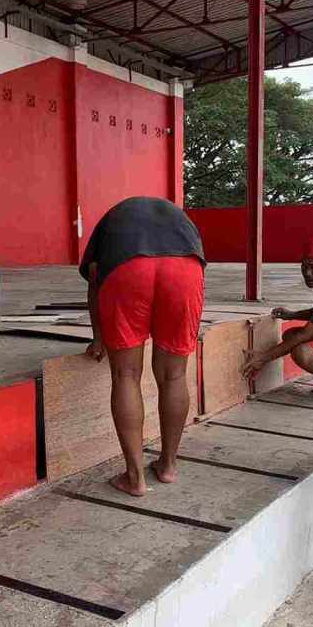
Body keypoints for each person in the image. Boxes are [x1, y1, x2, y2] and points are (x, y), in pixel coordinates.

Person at [80, 196, 206, 497]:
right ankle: (168, 465)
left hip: (127, 268)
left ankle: (134, 477)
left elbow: (95, 281)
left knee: (126, 374)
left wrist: (98, 337)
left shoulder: (109, 223)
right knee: (174, 375)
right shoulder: (178, 219)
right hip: (185, 270)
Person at [241, 236, 313, 394]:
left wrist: (263, 358)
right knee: (290, 335)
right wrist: (293, 315)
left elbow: (306, 334)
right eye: (304, 266)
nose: (308, 273)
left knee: (302, 353)